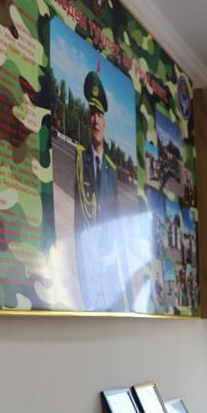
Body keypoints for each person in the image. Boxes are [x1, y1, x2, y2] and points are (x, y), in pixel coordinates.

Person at [74, 70, 129, 311]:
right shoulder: (79, 159)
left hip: (108, 261)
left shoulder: (112, 171)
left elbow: (116, 222)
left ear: (105, 123)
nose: (95, 120)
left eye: (100, 115)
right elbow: (78, 221)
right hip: (89, 259)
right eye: (92, 114)